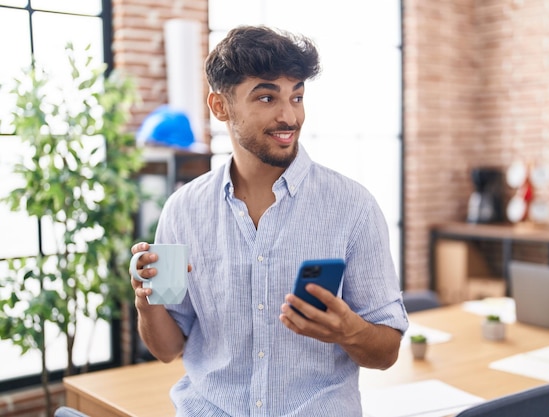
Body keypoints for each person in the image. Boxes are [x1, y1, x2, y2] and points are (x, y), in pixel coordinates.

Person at [130, 25, 409, 417]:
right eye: (266, 97)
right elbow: (167, 349)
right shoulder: (183, 210)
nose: (289, 115)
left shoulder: (353, 207)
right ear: (220, 106)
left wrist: (349, 331)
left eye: (297, 96)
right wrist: (147, 304)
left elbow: (386, 353)